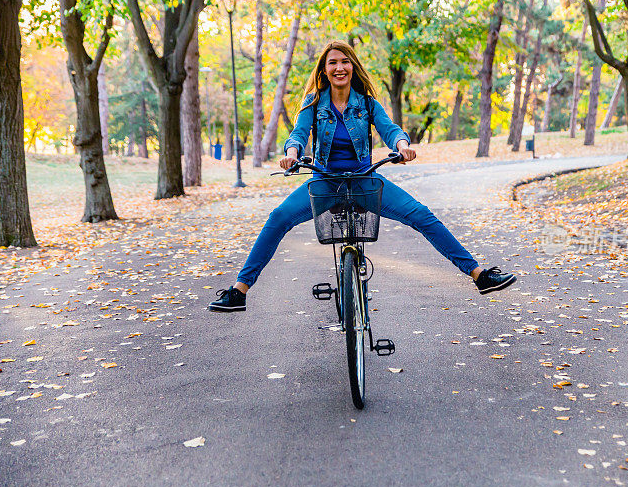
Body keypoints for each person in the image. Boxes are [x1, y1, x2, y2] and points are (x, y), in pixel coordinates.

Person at [209, 40, 517, 312]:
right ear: (324, 70)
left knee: (422, 216)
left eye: (345, 62)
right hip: (325, 182)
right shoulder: (314, 102)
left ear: (353, 67)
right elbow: (298, 134)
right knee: (278, 218)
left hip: (365, 181)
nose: (339, 67)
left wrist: (402, 145)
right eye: (333, 63)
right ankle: (240, 291)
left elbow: (389, 128)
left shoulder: (367, 103)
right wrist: (291, 153)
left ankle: (479, 275)